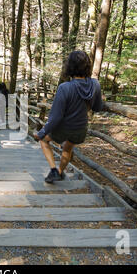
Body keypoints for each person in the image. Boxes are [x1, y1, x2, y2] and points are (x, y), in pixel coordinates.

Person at [33, 51, 103, 183]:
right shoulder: (95, 85)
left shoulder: (65, 87)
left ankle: (54, 171)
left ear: (69, 66)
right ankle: (60, 172)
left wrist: (41, 133)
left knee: (44, 141)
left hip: (64, 128)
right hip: (81, 129)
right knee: (68, 147)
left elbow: (56, 117)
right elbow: (98, 108)